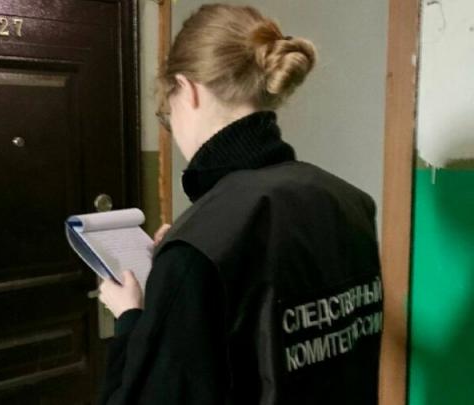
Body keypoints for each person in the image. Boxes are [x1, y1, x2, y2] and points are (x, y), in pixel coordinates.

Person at [97, 4, 383, 405]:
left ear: (187, 90)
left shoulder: (197, 249)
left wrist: (132, 317)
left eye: (166, 110)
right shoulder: (349, 202)